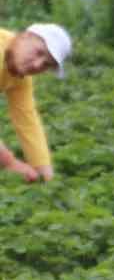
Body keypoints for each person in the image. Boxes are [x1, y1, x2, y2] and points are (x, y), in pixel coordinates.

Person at [0, 23, 72, 182]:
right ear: (25, 36)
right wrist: (9, 162)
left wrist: (45, 176)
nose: (36, 65)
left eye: (46, 64)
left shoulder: (20, 77)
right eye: (39, 52)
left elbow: (27, 121)